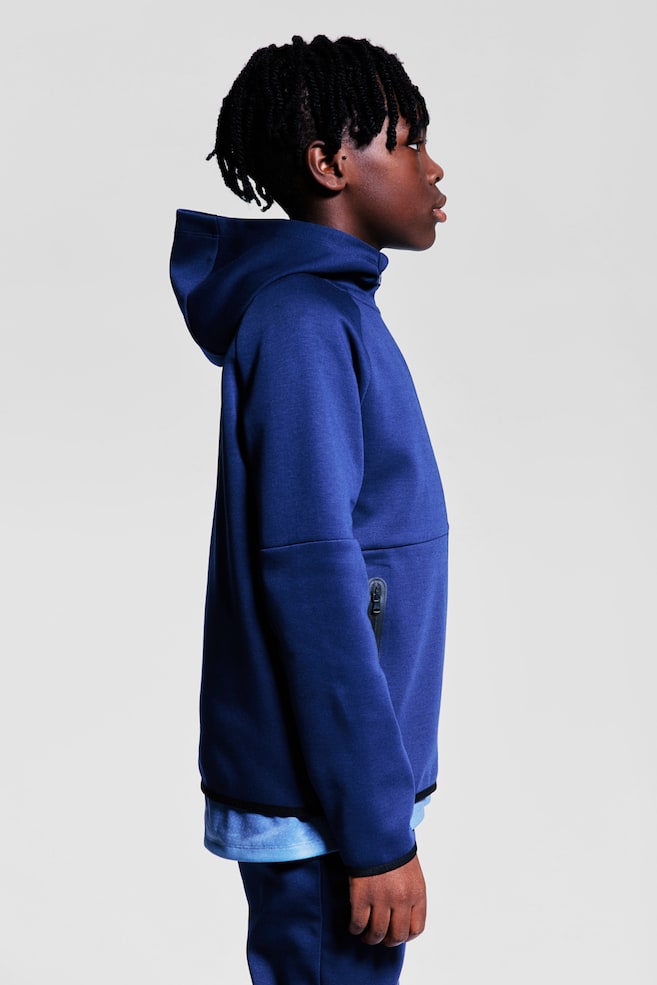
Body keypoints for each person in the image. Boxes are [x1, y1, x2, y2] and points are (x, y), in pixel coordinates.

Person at [170, 34, 449, 985]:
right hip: (328, 807)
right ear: (330, 163)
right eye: (406, 142)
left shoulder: (333, 311)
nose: (432, 168)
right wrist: (373, 830)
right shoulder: (303, 322)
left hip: (343, 788)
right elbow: (314, 578)